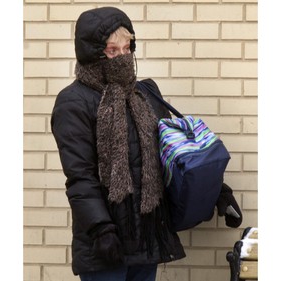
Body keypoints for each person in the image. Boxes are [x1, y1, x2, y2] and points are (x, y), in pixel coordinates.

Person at [51, 6, 242, 281]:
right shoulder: (74, 102)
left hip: (148, 238)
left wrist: (216, 191)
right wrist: (101, 230)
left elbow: (171, 155)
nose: (122, 57)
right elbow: (80, 177)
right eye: (112, 50)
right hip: (107, 245)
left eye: (127, 48)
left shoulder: (144, 93)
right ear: (92, 54)